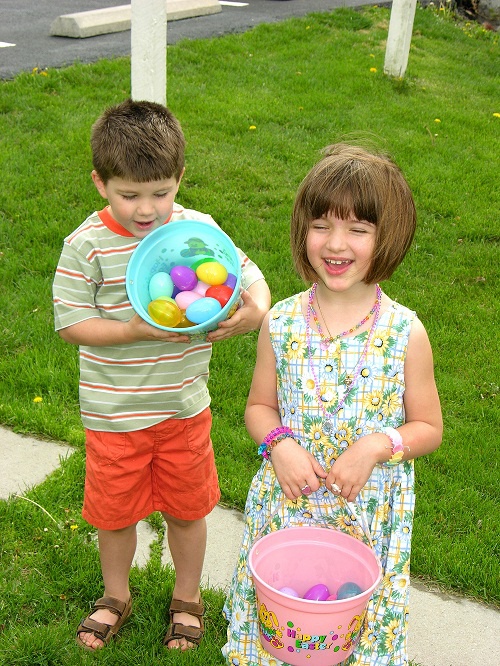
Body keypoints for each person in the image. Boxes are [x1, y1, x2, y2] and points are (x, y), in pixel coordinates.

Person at [52, 98, 271, 652]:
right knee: (115, 513)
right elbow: (72, 324)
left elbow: (251, 280)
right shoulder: (86, 246)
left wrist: (250, 314)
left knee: (188, 508)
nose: (147, 209)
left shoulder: (197, 231)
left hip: (182, 409)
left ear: (180, 179)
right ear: (101, 183)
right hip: (114, 414)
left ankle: (188, 597)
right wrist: (131, 330)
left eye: (161, 192)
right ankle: (114, 596)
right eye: (130, 195)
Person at [222, 143, 443, 666]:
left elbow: (428, 427)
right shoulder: (281, 321)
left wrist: (376, 445)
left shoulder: (404, 332)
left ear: (387, 238)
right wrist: (278, 445)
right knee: (282, 625)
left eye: (358, 230)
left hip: (369, 513)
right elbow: (259, 406)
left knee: (352, 629)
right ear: (303, 229)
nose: (335, 243)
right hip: (289, 504)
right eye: (321, 224)